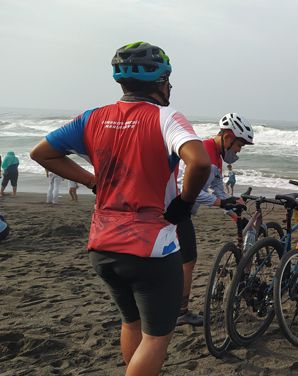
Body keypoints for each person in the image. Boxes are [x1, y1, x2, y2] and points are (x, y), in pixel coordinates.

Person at [30, 41, 210, 376]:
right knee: (157, 338)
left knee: (132, 322)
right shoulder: (166, 117)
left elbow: (41, 153)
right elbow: (200, 162)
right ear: (161, 81)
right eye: (169, 80)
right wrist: (184, 204)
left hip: (102, 244)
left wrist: (92, 181)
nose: (170, 86)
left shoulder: (92, 118)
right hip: (151, 248)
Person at [175, 112, 254, 326]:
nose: (238, 151)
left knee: (179, 261)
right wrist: (221, 203)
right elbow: (186, 190)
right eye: (239, 145)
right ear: (228, 137)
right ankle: (180, 312)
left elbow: (218, 191)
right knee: (187, 262)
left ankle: (174, 308)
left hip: (181, 214)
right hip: (173, 213)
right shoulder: (202, 153)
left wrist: (234, 214)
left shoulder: (215, 157)